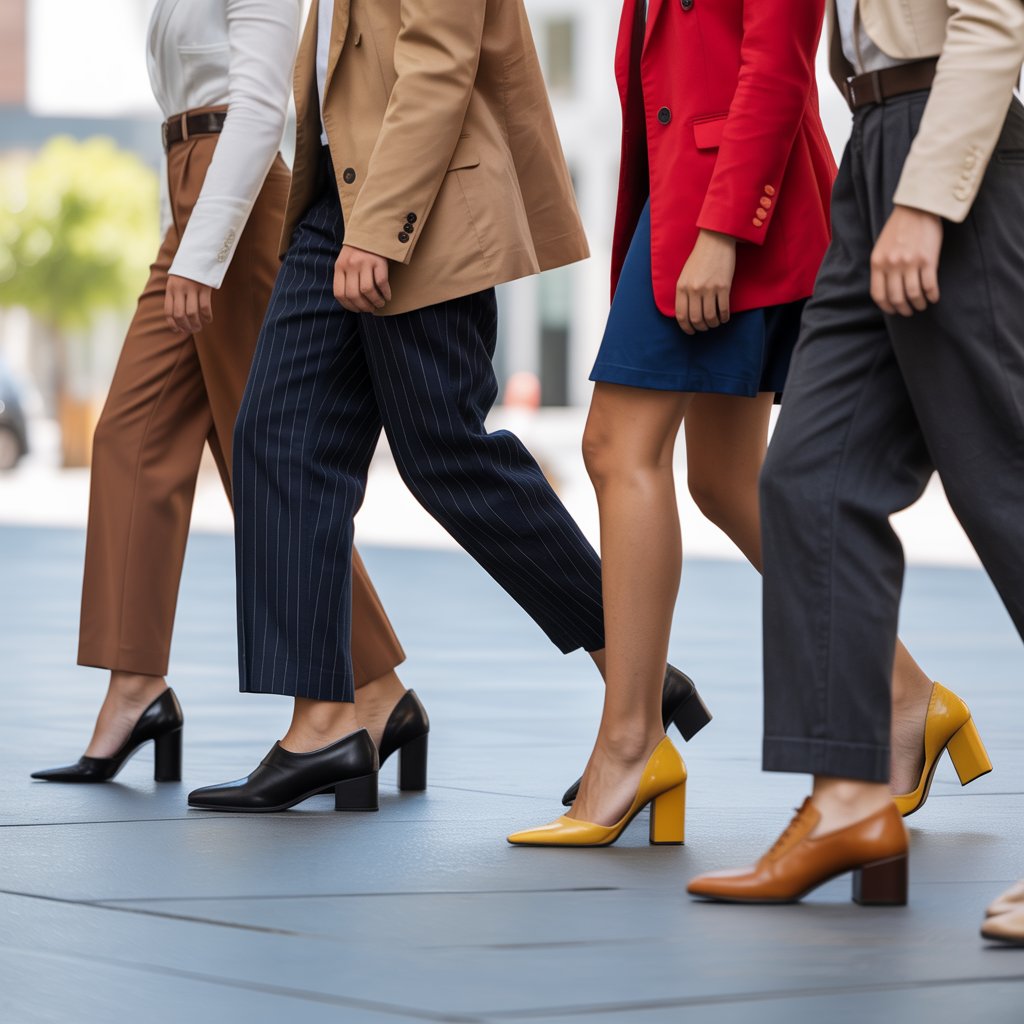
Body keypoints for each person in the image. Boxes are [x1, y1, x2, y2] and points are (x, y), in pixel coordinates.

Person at [186, 0, 709, 815]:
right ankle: (323, 722)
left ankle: (633, 674)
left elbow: (438, 58)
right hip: (334, 197)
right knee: (277, 439)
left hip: (412, 201)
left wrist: (381, 229)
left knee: (444, 452)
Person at [508, 0, 969, 849]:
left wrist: (723, 227)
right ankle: (906, 695)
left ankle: (630, 743)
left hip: (728, 203)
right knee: (725, 481)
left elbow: (779, 59)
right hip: (694, 190)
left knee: (615, 446)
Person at [688, 0, 1023, 923]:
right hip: (873, 136)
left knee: (1006, 485)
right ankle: (848, 801)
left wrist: (925, 197)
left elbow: (994, 19)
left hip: (950, 143)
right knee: (810, 482)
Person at [32, 0, 413, 786]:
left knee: (266, 456)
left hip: (233, 200)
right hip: (192, 188)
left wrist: (202, 252)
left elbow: (260, 103)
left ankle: (375, 688)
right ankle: (138, 685)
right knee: (132, 435)